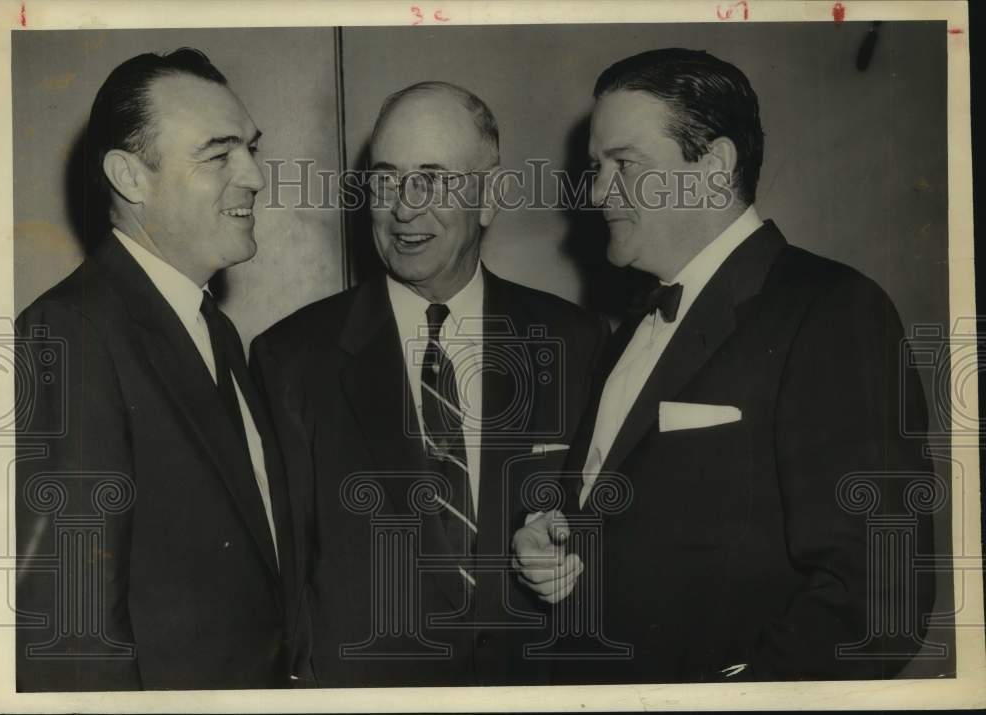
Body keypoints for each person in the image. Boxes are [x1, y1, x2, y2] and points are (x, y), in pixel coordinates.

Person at [513, 48, 937, 682]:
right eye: (596, 168)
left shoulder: (832, 309)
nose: (598, 192)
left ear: (712, 167)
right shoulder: (629, 328)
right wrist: (549, 550)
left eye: (623, 165)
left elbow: (880, 599)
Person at [251, 81, 607, 686]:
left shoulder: (576, 342)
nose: (405, 208)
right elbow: (284, 591)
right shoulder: (290, 359)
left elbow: (607, 534)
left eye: (434, 180)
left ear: (489, 196)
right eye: (386, 180)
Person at [16, 49, 296, 691]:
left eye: (252, 149)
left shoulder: (213, 329)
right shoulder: (67, 334)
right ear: (130, 177)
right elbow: (71, 640)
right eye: (219, 153)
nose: (253, 175)